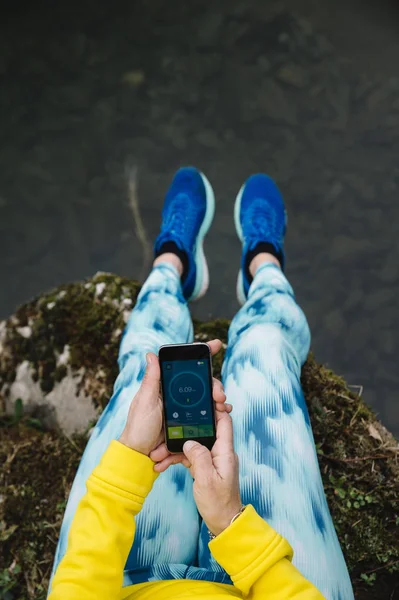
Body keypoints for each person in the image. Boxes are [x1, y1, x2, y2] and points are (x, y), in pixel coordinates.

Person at [48, 168, 354, 600]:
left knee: (146, 368)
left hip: (127, 579)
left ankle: (171, 263)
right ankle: (264, 267)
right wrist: (231, 522)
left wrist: (130, 457)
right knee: (266, 350)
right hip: (275, 581)